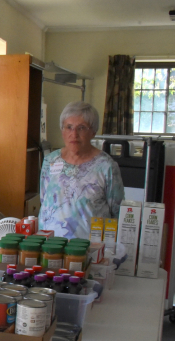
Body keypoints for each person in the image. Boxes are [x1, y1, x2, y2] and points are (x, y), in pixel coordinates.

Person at [38, 101, 125, 239]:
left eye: (82, 128)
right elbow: (44, 200)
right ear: (62, 130)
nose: (74, 134)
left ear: (93, 132)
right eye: (69, 127)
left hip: (90, 249)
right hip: (50, 246)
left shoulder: (107, 166)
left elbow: (117, 212)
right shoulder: (50, 161)